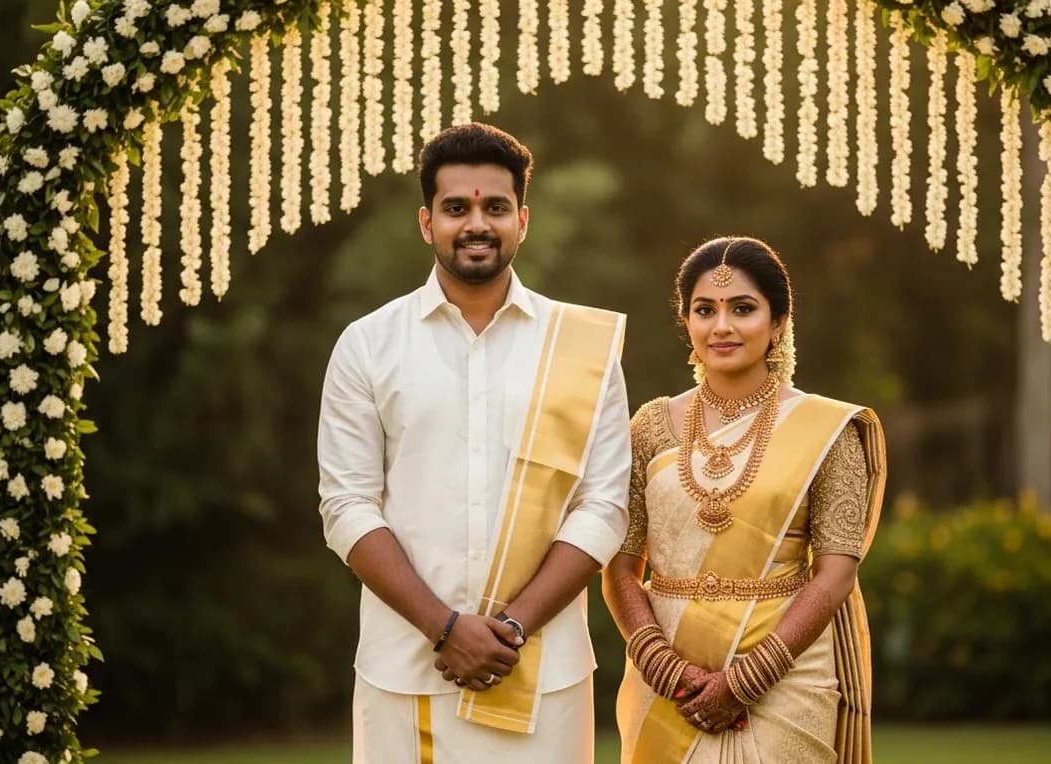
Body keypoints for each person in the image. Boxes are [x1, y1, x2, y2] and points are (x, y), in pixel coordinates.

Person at [317, 122, 632, 763]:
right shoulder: (369, 344)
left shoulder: (580, 348)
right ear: (427, 222)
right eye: (457, 208)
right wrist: (444, 627)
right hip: (405, 673)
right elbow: (346, 508)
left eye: (494, 207)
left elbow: (605, 508)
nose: (477, 224)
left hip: (543, 672)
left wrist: (511, 628)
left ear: (523, 219)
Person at [603, 236, 887, 763]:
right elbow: (620, 568)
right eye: (704, 310)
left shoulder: (828, 431)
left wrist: (748, 679)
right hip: (665, 683)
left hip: (786, 681)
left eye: (744, 309)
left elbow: (835, 574)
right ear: (687, 322)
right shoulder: (650, 426)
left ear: (779, 322)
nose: (722, 326)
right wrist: (662, 666)